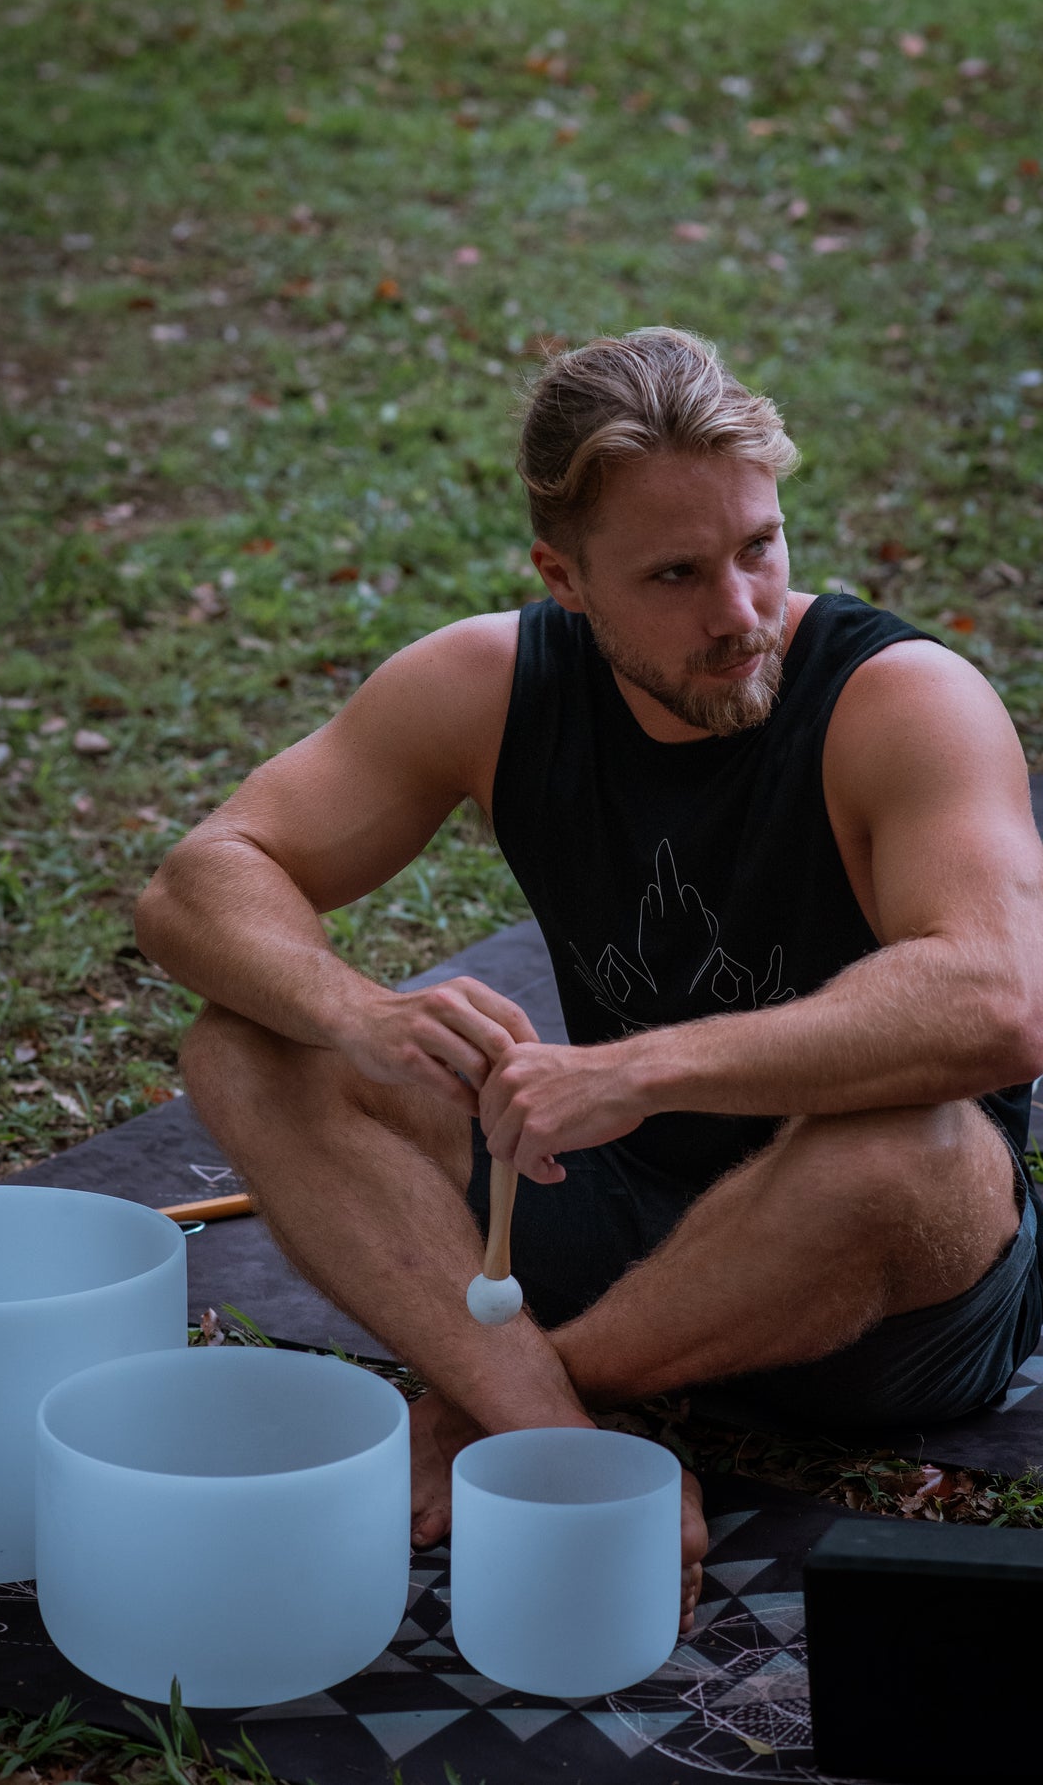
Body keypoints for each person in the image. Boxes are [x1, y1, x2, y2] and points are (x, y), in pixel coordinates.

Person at [135, 327, 1043, 1635]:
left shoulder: (902, 699)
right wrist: (363, 1014)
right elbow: (196, 882)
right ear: (565, 577)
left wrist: (642, 1066)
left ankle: (508, 1399)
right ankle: (562, 1439)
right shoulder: (489, 684)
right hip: (615, 1209)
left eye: (759, 548)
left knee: (914, 1149)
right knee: (247, 1046)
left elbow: (1001, 1003)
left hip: (883, 1293)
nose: (739, 614)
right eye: (675, 574)